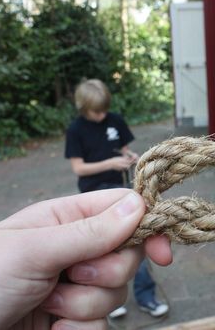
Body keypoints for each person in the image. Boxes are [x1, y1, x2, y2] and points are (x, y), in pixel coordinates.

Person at [0, 189, 172, 330]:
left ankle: (146, 297)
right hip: (106, 201)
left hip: (120, 205)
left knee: (126, 259)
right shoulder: (77, 130)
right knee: (118, 257)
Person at [64, 79, 169, 318]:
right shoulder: (75, 130)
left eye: (104, 110)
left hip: (121, 189)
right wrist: (109, 163)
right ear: (83, 107)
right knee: (104, 248)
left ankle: (147, 297)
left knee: (136, 240)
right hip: (93, 194)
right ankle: (109, 302)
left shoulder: (115, 121)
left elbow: (123, 150)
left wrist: (130, 157)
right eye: (95, 111)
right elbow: (79, 168)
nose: (101, 116)